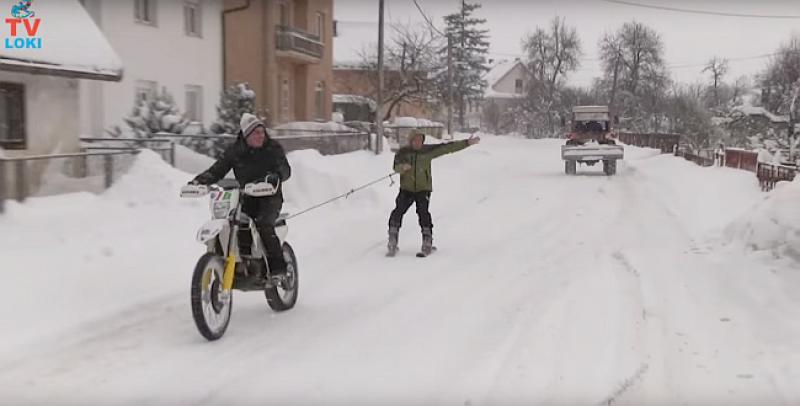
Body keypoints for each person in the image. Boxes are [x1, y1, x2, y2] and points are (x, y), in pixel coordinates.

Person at [190, 113, 291, 275]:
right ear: (246, 135)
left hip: (270, 197)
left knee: (264, 223)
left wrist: (274, 176)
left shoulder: (273, 148)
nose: (260, 136)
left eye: (262, 132)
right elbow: (218, 170)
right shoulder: (235, 151)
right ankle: (232, 260)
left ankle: (278, 268)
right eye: (256, 133)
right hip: (245, 196)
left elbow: (285, 171)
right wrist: (200, 181)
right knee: (228, 222)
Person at [387, 130, 480, 255]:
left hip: (423, 189)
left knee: (423, 214)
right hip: (406, 190)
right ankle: (392, 240)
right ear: (411, 141)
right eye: (416, 140)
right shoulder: (403, 152)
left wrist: (467, 143)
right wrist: (402, 167)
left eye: (421, 140)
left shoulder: (427, 151)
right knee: (397, 212)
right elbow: (396, 167)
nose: (418, 142)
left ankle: (427, 241)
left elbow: (447, 148)